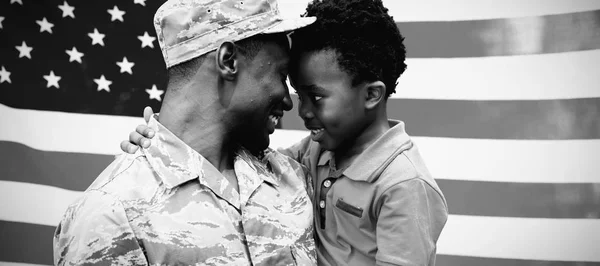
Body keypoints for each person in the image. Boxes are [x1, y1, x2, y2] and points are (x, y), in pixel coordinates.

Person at [122, 0, 449, 265]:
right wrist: (162, 142)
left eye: (316, 97)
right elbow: (252, 161)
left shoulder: (405, 186)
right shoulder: (317, 152)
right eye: (299, 95)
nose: (302, 110)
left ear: (371, 95)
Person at [53, 0, 317, 265]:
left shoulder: (296, 177)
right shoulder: (109, 215)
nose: (288, 100)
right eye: (281, 75)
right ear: (228, 61)